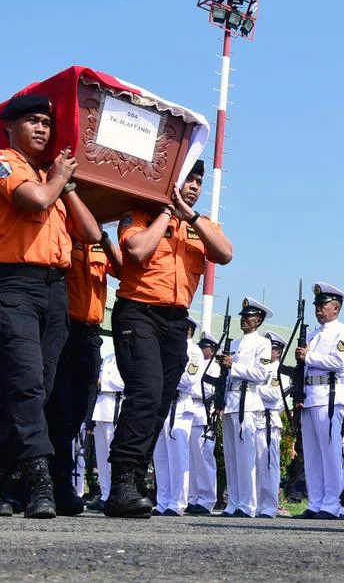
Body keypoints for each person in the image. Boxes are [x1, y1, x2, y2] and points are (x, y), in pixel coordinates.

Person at [0, 94, 102, 519]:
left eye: (47, 122)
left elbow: (92, 233)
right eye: (33, 121)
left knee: (35, 391)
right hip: (11, 287)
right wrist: (57, 180)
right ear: (10, 127)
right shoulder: (0, 162)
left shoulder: (52, 177)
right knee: (27, 386)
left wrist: (68, 183)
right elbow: (37, 200)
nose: (42, 129)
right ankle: (39, 481)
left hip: (52, 291)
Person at [106, 158, 233, 518]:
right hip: (139, 311)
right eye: (186, 179)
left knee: (161, 401)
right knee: (144, 394)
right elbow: (136, 251)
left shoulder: (201, 224)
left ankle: (136, 476)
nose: (193, 186)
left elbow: (224, 254)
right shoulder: (141, 215)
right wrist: (166, 211)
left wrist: (189, 217)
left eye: (197, 181)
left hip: (176, 321)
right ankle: (121, 482)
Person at [46, 220, 120, 515]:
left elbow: (125, 271)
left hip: (91, 335)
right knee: (58, 411)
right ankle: (56, 483)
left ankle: (60, 481)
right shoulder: (63, 235)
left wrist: (102, 239)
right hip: (65, 330)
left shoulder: (101, 245)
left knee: (77, 412)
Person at [297, 283, 344, 520]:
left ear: (336, 308)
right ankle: (316, 501)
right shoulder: (313, 334)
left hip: (330, 395)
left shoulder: (342, 332)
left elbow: (339, 362)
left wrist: (309, 356)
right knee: (312, 454)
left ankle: (333, 504)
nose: (319, 309)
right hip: (310, 396)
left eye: (323, 305)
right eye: (318, 305)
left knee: (332, 454)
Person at [220, 299, 274, 518]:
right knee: (231, 457)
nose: (244, 320)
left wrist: (235, 366)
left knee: (246, 457)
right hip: (230, 401)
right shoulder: (234, 344)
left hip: (247, 401)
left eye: (249, 317)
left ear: (258, 321)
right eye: (242, 316)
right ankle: (233, 502)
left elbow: (261, 375)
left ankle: (248, 504)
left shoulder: (262, 344)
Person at [151, 319, 202, 517]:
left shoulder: (194, 351)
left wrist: (166, 376)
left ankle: (178, 502)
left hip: (180, 405)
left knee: (178, 456)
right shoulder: (168, 348)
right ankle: (163, 501)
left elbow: (189, 379)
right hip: (165, 402)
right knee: (161, 456)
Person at [186, 331, 220, 515]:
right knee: (191, 458)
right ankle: (193, 497)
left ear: (212, 349)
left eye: (205, 347)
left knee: (203, 457)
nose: (202, 349)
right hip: (191, 409)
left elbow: (208, 390)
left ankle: (206, 499)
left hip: (204, 411)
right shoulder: (198, 363)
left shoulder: (214, 367)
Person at [255, 331, 287, 518]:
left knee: (268, 465)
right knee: (254, 466)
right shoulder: (262, 367)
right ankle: (256, 504)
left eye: (272, 349)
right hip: (255, 418)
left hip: (269, 420)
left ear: (278, 352)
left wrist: (254, 387)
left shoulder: (279, 370)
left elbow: (275, 394)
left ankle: (268, 506)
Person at [88, 353, 124, 512]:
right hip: (101, 406)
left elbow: (128, 382)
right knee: (101, 457)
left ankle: (112, 494)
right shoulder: (108, 358)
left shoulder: (130, 355)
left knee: (111, 454)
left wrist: (104, 382)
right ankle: (104, 494)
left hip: (115, 405)